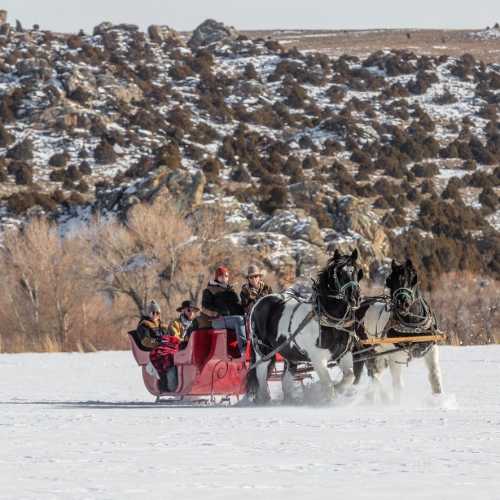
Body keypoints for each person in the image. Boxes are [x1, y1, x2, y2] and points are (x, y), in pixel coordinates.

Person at [201, 266, 246, 354]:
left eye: (226, 276)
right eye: (221, 276)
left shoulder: (230, 291)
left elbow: (237, 306)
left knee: (247, 319)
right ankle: (243, 350)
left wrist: (245, 307)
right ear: (217, 277)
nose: (224, 278)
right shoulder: (209, 290)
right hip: (217, 320)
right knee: (239, 320)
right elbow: (204, 308)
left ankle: (254, 346)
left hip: (230, 319)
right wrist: (218, 313)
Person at [137, 300, 179, 392]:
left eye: (158, 313)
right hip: (153, 349)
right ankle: (166, 385)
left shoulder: (162, 324)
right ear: (149, 313)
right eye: (153, 312)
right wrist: (158, 342)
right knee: (166, 358)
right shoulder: (144, 325)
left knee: (177, 352)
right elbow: (145, 341)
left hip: (165, 347)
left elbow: (168, 336)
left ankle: (180, 382)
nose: (155, 315)